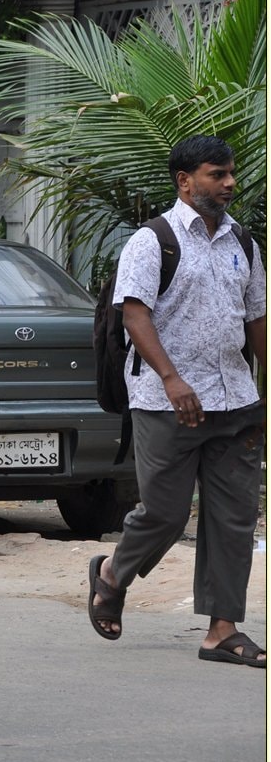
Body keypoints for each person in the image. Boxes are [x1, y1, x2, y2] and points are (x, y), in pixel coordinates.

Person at [88, 135, 266, 668]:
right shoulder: (152, 241)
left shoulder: (244, 243)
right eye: (217, 174)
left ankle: (222, 631)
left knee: (234, 518)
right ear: (185, 181)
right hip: (168, 401)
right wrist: (171, 378)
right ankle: (111, 575)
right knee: (164, 514)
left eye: (231, 173)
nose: (230, 183)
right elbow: (134, 314)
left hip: (236, 399)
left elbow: (256, 317)